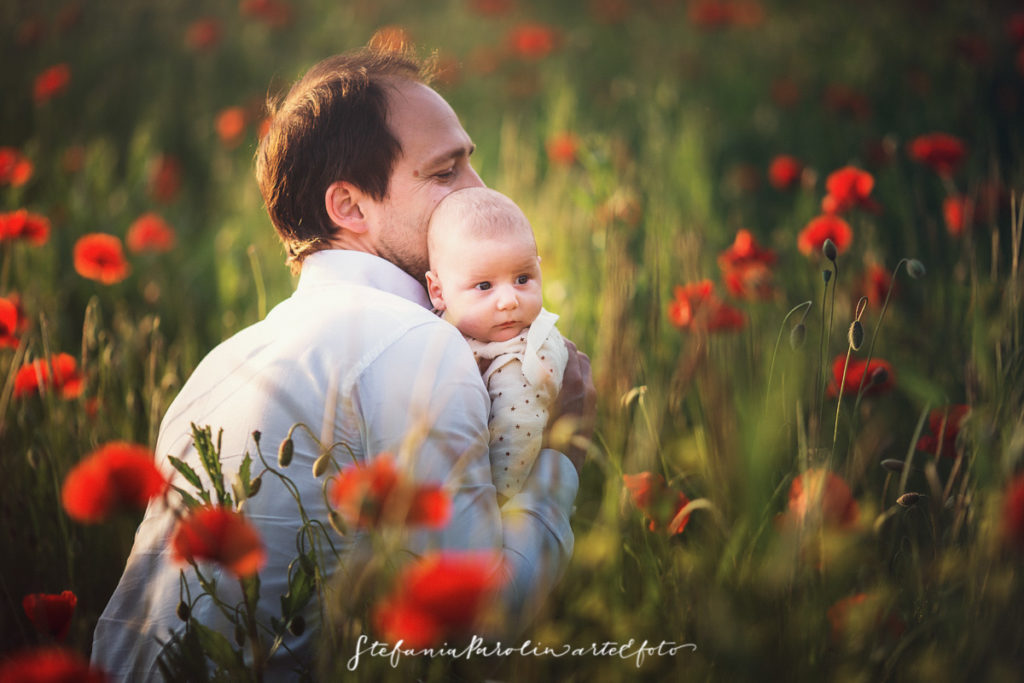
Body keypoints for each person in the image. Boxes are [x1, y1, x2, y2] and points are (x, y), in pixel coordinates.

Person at [90, 44, 594, 681]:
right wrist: (557, 457)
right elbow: (473, 631)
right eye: (446, 173)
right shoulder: (414, 341)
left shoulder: (220, 365)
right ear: (350, 207)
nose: (480, 191)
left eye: (472, 163)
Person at [425, 187, 568, 503]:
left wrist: (500, 499)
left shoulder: (522, 357)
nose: (509, 300)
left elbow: (518, 435)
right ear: (438, 291)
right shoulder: (437, 321)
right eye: (484, 286)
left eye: (522, 278)